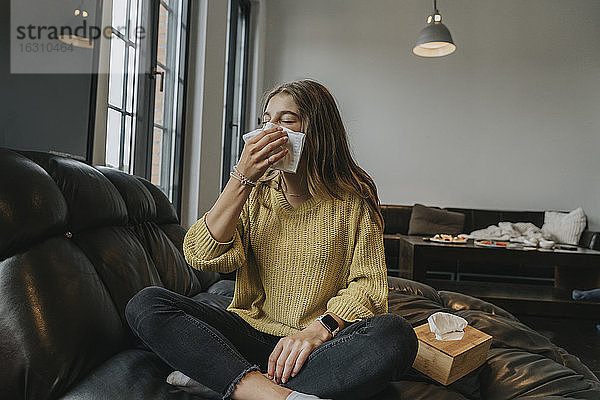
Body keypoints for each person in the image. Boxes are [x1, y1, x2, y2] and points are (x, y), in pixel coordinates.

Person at [125, 80, 418, 400]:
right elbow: (201, 256)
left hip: (314, 349)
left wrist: (316, 332)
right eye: (266, 120)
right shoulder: (254, 192)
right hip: (247, 334)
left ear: (317, 131)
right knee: (146, 304)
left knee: (396, 334)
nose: (269, 129)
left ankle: (225, 379)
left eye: (286, 120)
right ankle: (271, 394)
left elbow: (368, 288)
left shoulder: (352, 201)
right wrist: (241, 177)